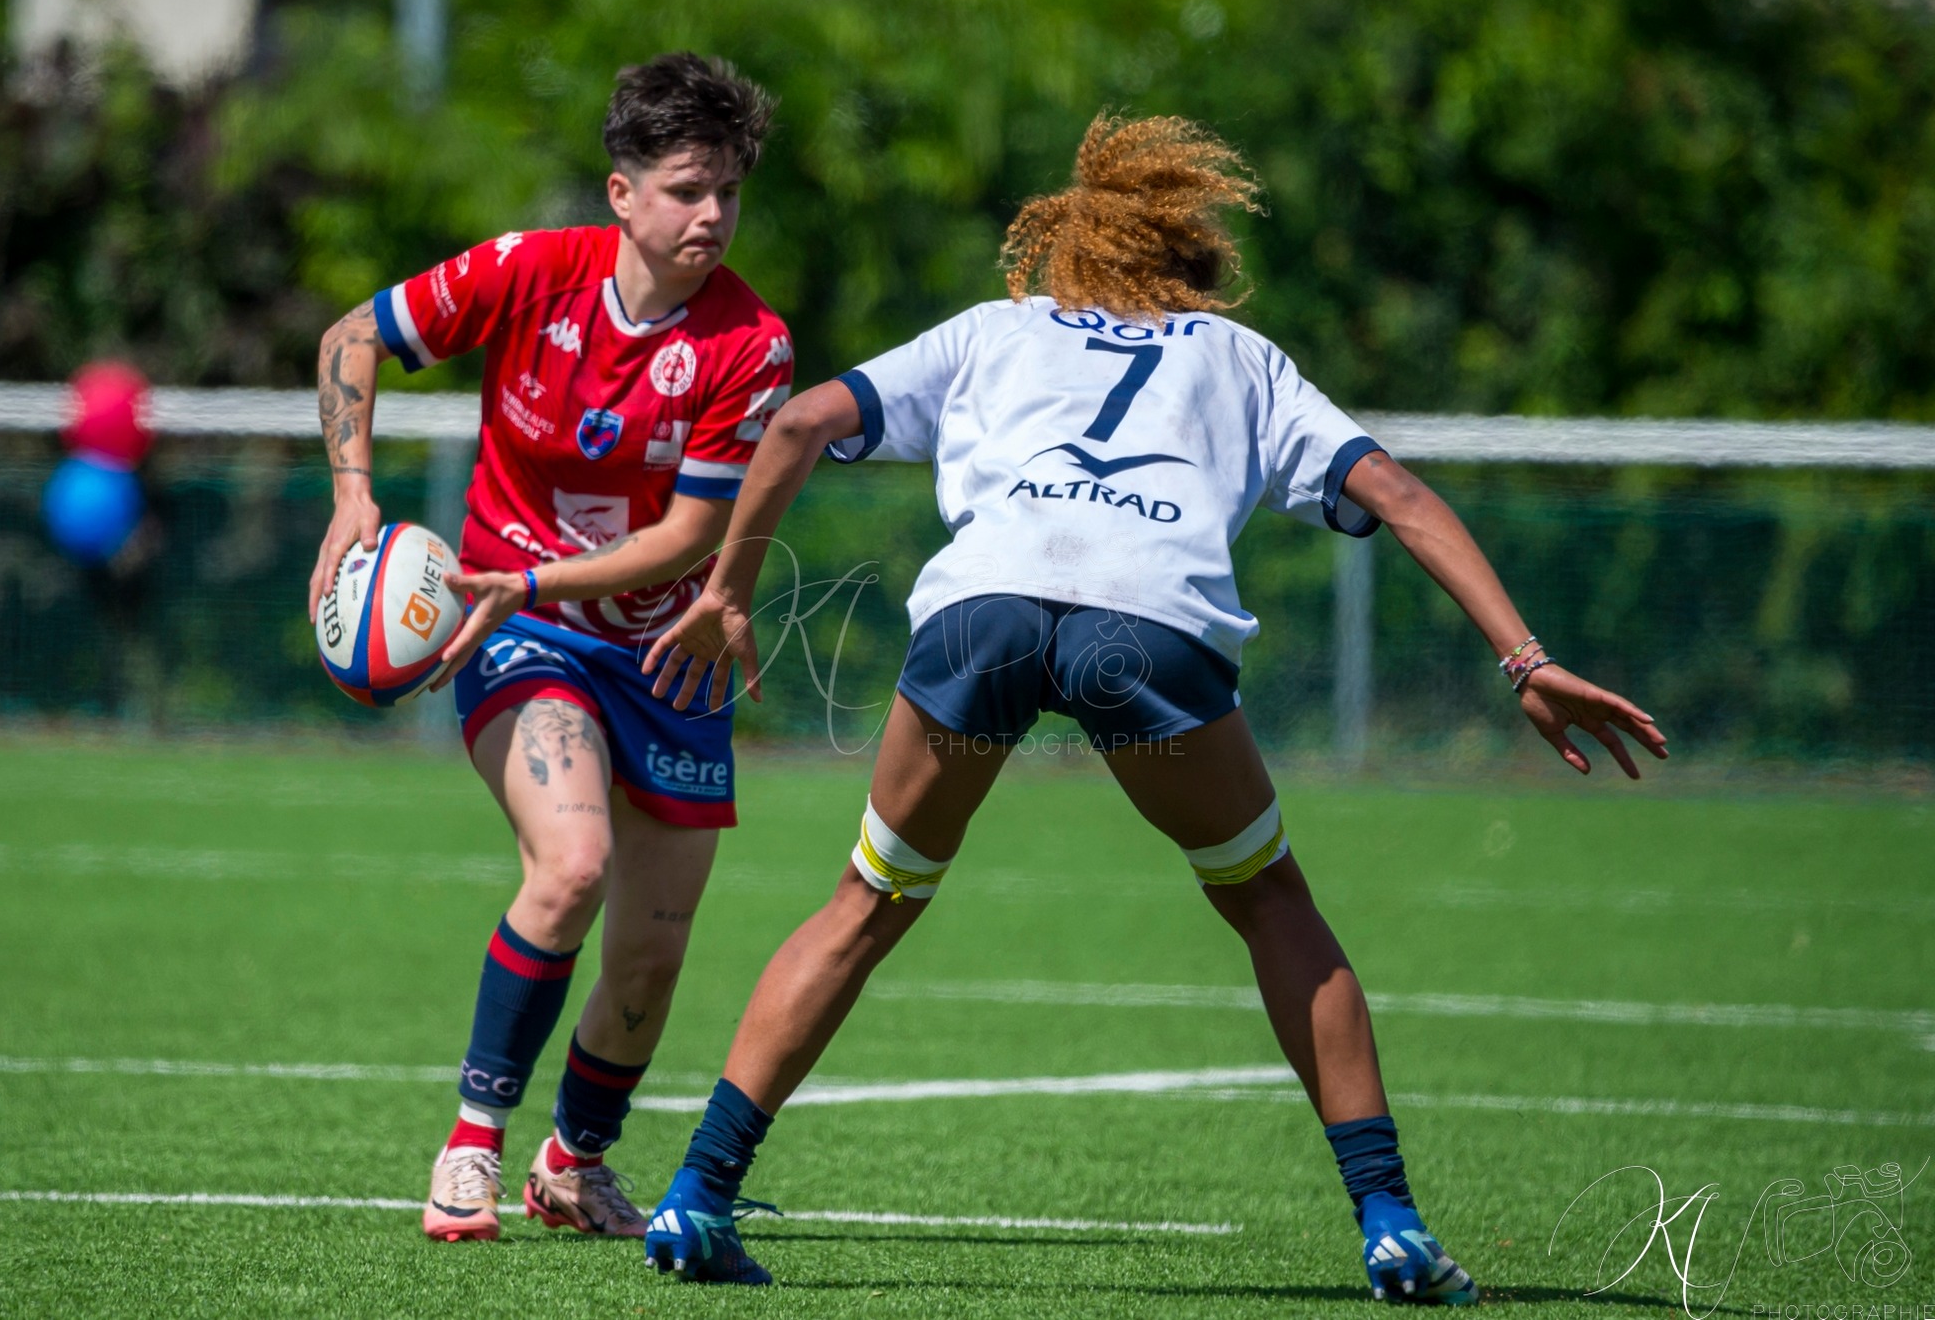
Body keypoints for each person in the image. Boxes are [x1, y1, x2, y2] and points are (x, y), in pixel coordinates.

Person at [637, 114, 1667, 1298]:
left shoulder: (995, 330)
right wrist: (1524, 660)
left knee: (866, 900)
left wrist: (727, 591)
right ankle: (1387, 1220)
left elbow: (799, 420)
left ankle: (695, 1196)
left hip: (984, 622)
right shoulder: (1240, 360)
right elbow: (1391, 490)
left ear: (1065, 247)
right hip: (1146, 638)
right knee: (1270, 901)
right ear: (1190, 252)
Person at [305, 52, 791, 1244]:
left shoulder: (751, 345)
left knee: (650, 955)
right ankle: (470, 1143)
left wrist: (527, 569)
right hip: (517, 633)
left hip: (665, 653)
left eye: (727, 189)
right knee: (571, 864)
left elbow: (689, 533)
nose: (712, 215)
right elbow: (348, 338)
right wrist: (352, 493)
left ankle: (572, 1163)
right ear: (619, 192)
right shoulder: (529, 272)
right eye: (686, 187)